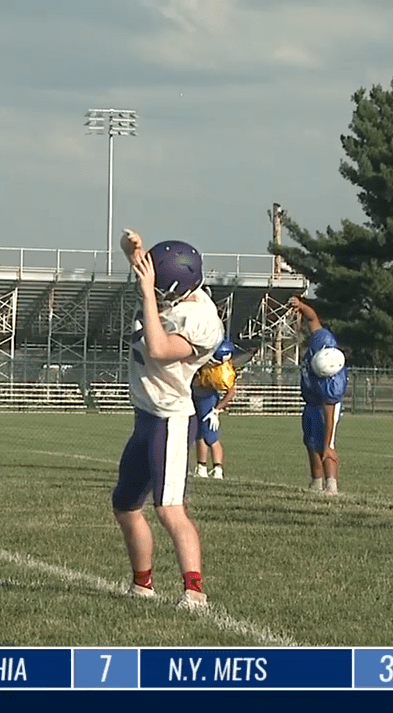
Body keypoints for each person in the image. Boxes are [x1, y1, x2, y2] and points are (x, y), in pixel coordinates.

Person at [114, 230, 223, 609]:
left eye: (159, 285)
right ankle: (142, 584)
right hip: (146, 415)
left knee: (169, 508)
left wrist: (147, 293)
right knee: (126, 504)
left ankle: (195, 592)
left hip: (171, 419)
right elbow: (148, 274)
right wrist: (136, 251)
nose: (153, 289)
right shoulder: (175, 292)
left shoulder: (201, 320)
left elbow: (160, 349)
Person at [290, 296, 347, 495]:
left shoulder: (330, 379)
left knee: (325, 443)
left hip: (324, 404)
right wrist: (301, 306)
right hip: (312, 401)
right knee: (311, 441)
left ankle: (331, 484)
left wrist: (328, 443)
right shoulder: (321, 342)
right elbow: (313, 319)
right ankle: (316, 482)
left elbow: (330, 413)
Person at [190, 338, 240, 480]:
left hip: (208, 400)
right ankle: (201, 467)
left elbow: (231, 392)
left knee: (210, 436)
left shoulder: (224, 372)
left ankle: (218, 469)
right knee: (199, 435)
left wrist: (216, 410)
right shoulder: (206, 359)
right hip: (197, 397)